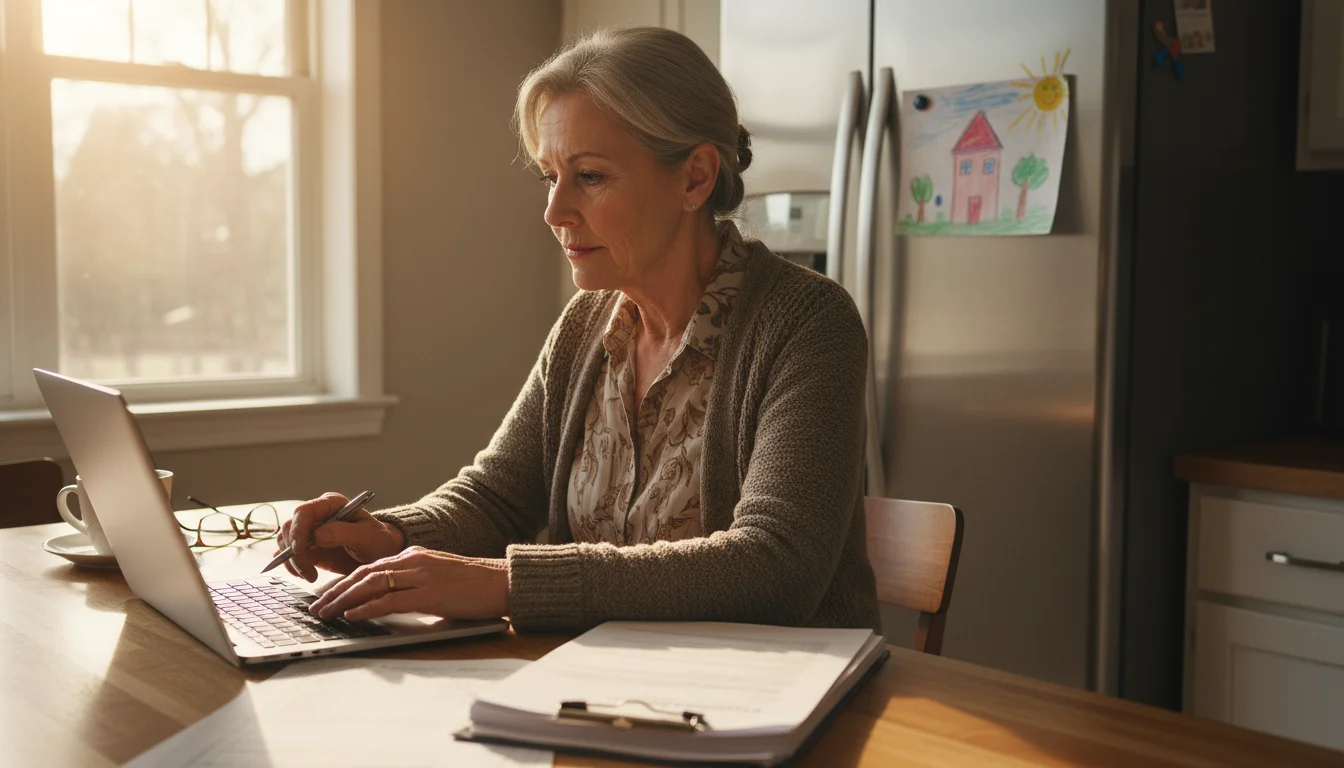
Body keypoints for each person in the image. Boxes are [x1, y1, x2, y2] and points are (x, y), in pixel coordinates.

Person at [286, 27, 881, 633]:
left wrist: (509, 585)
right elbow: (496, 496)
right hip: (600, 686)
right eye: (550, 177)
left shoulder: (806, 323)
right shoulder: (586, 325)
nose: (554, 212)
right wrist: (389, 537)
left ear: (695, 178)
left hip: (774, 701)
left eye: (590, 177)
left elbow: (774, 568)